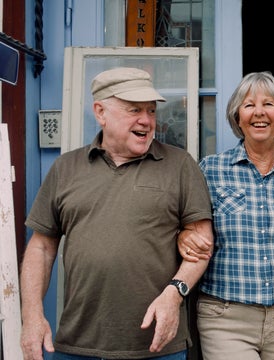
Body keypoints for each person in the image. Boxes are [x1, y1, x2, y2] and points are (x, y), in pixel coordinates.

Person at [19, 67, 213, 360]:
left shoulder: (180, 165)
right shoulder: (66, 168)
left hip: (156, 345)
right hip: (77, 343)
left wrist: (175, 293)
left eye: (151, 111)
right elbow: (42, 247)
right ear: (100, 112)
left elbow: (201, 243)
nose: (146, 120)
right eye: (134, 109)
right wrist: (32, 316)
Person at [177, 71, 274, 359]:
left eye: (269, 104)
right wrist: (182, 234)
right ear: (237, 117)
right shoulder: (210, 170)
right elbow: (185, 222)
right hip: (225, 315)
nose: (259, 113)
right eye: (249, 105)